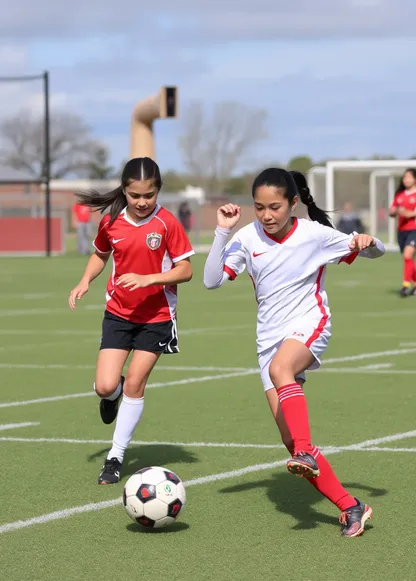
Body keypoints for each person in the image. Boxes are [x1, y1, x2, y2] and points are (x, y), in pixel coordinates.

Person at [203, 168, 385, 538]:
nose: (267, 215)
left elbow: (377, 252)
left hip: (309, 323)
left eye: (274, 207)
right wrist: (222, 231)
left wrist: (369, 241)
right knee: (289, 437)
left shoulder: (313, 234)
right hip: (268, 341)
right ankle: (352, 507)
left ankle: (303, 450)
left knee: (282, 371)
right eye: (259, 207)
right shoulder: (246, 237)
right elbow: (211, 280)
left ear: (292, 203)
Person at [68, 157, 194, 485]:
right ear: (124, 190)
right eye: (135, 195)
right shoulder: (111, 220)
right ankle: (113, 395)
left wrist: (150, 279)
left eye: (149, 195)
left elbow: (186, 270)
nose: (142, 202)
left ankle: (115, 457)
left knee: (136, 382)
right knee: (105, 386)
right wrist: (85, 281)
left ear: (158, 192)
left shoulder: (167, 223)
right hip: (118, 314)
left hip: (157, 317)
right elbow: (100, 254)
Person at [389, 168, 416, 297]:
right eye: (405, 177)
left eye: (409, 177)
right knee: (408, 259)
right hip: (402, 231)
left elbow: (412, 213)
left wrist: (406, 212)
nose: (406, 180)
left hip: (414, 229)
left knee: (407, 255)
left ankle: (405, 286)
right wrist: (395, 211)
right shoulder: (399, 195)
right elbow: (391, 211)